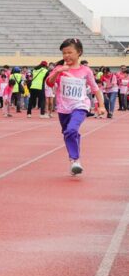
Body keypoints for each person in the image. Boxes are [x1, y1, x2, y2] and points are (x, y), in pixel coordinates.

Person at [45, 38, 105, 176]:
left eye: (70, 52)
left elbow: (95, 89)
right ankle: (74, 161)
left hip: (80, 106)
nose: (66, 56)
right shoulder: (59, 68)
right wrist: (58, 72)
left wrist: (101, 106)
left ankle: (75, 160)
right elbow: (49, 83)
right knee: (69, 133)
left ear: (79, 53)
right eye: (64, 53)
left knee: (71, 129)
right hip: (63, 108)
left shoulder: (86, 71)